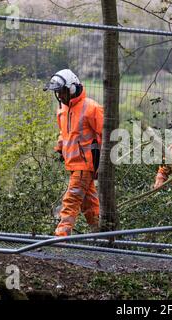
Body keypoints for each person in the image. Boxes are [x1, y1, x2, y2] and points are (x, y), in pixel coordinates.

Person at [44, 69, 103, 236]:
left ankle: (61, 236)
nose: (60, 96)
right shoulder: (62, 110)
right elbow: (64, 133)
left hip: (85, 164)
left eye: (61, 92)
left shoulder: (92, 108)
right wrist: (60, 148)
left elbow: (105, 135)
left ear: (71, 88)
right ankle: (100, 233)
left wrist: (102, 164)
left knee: (71, 199)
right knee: (89, 203)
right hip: (72, 163)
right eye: (57, 93)